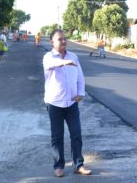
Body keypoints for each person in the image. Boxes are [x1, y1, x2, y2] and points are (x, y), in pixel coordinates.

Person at [42, 29, 92, 177]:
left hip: (71, 104)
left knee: (76, 134)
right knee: (57, 137)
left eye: (65, 39)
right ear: (52, 42)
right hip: (55, 104)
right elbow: (52, 64)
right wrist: (65, 62)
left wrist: (81, 93)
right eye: (60, 39)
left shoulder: (74, 56)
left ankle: (79, 165)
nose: (64, 41)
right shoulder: (48, 57)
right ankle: (58, 166)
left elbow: (80, 77)